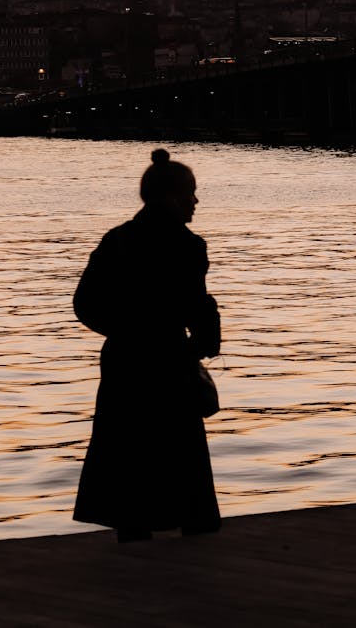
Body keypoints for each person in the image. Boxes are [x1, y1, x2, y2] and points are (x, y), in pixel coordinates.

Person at [72, 148, 221, 542]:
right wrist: (204, 341)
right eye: (191, 192)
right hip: (170, 358)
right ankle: (192, 531)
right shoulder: (188, 246)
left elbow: (84, 304)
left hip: (125, 359)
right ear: (172, 197)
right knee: (181, 451)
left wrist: (124, 331)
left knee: (128, 451)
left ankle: (133, 534)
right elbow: (195, 304)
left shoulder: (117, 240)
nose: (195, 201)